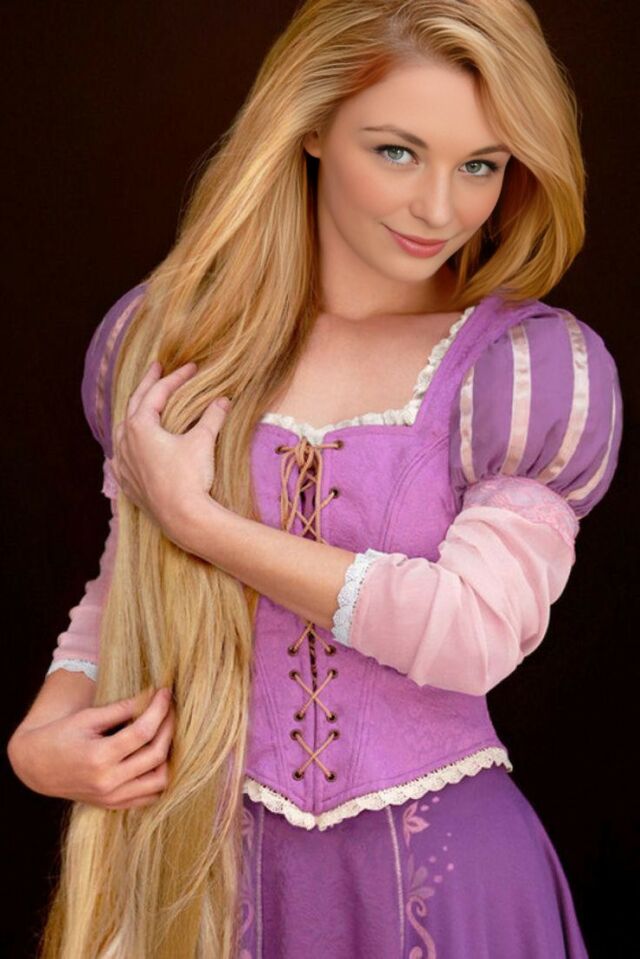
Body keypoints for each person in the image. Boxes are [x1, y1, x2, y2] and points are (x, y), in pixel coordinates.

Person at [7, 1, 623, 956]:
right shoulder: (174, 340)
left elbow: (470, 631)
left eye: (481, 165)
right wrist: (42, 735)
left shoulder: (523, 371)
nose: (440, 208)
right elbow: (130, 589)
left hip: (451, 886)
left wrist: (205, 524)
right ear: (310, 127)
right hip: (200, 885)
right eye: (397, 151)